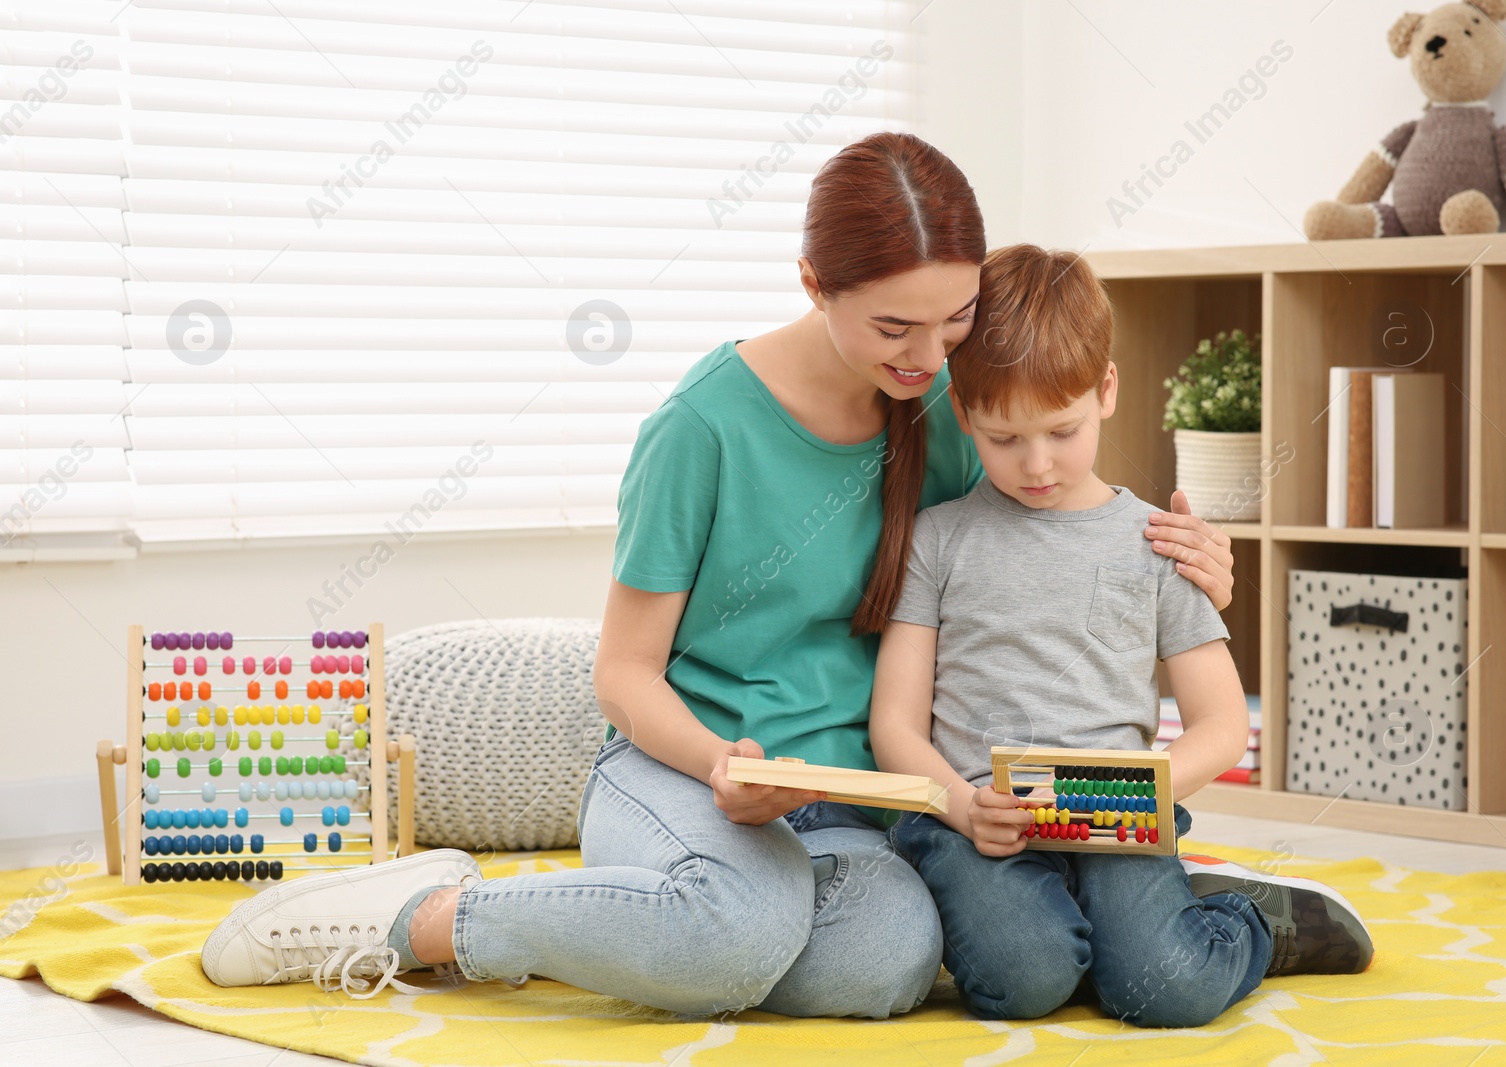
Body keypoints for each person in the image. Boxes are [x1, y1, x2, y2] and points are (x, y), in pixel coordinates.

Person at [200, 132, 1243, 1016]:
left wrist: (1191, 555)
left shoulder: (943, 407)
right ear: (811, 286)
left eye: (953, 320)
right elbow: (624, 673)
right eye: (894, 326)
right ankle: (425, 916)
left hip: (850, 800)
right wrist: (715, 764)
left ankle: (666, 917)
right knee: (736, 934)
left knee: (886, 962)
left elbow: (1046, 506)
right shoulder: (700, 428)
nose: (930, 358)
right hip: (682, 771)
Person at [870, 242, 1374, 1025]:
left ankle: (1250, 920)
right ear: (964, 414)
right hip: (975, 819)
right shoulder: (938, 538)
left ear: (1106, 390)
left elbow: (1218, 723)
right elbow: (894, 724)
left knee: (1168, 990)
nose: (1037, 464)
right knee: (1023, 984)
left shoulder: (1159, 542)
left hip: (1119, 814)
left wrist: (1142, 792)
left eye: (1061, 431)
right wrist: (962, 807)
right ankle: (1104, 924)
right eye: (1004, 438)